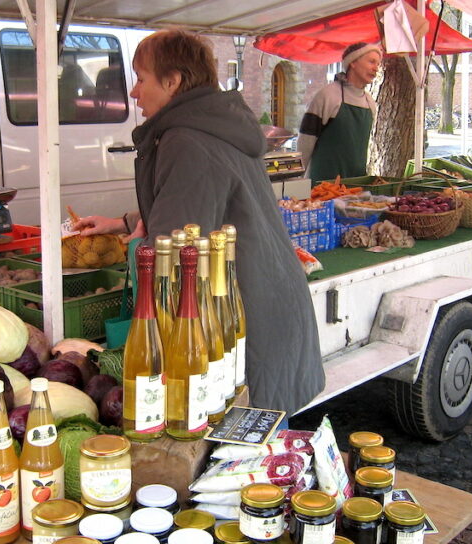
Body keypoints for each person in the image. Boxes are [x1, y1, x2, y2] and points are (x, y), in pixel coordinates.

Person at [74, 29, 323, 415]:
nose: (134, 91)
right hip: (273, 298)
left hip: (244, 316)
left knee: (248, 451)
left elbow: (174, 249)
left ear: (172, 81)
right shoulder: (216, 125)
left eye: (141, 78)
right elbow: (202, 203)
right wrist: (123, 222)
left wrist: (141, 246)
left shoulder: (185, 140)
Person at [297, 42, 383, 182]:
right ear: (353, 63)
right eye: (371, 62)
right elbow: (306, 141)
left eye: (378, 64)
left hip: (356, 185)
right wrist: (298, 181)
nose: (375, 68)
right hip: (323, 186)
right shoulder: (327, 96)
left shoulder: (370, 103)